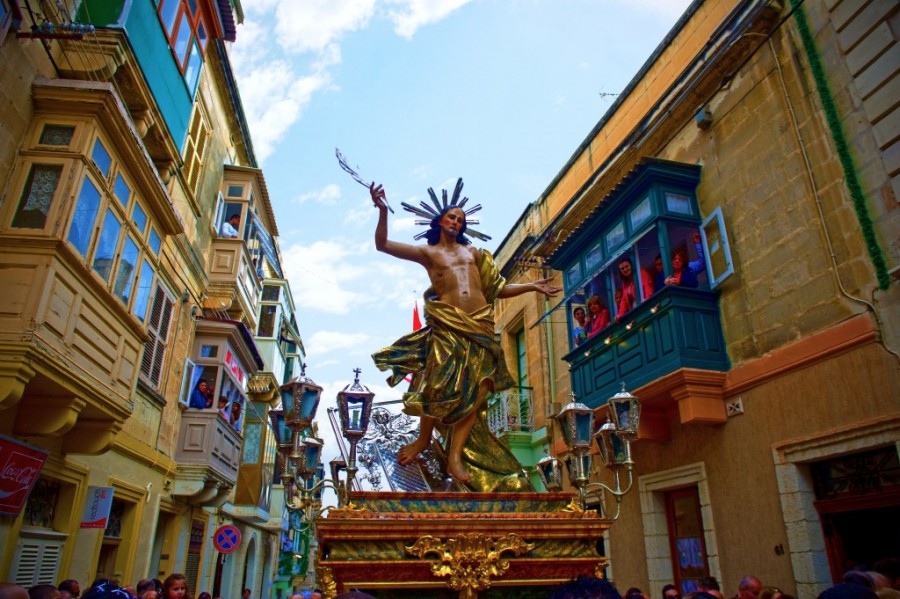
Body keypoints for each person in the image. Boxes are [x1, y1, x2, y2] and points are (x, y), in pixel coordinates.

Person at [370, 180, 559, 487]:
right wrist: (381, 211)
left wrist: (532, 285)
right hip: (448, 323)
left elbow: (498, 289)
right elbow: (383, 245)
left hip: (480, 324)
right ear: (439, 221)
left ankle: (454, 456)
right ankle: (423, 440)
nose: (456, 222)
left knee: (480, 390)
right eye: (451, 217)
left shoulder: (475, 253)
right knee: (435, 384)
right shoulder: (427, 252)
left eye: (460, 219)